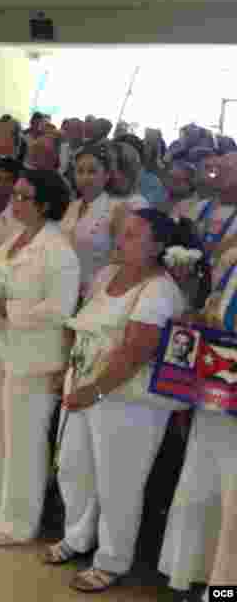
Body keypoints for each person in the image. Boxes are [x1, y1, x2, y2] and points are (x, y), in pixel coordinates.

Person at [47, 209, 193, 592]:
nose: (120, 240)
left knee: (119, 481)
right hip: (85, 383)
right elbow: (81, 323)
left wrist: (94, 389)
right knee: (73, 467)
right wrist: (68, 371)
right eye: (121, 233)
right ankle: (77, 536)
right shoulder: (106, 274)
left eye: (132, 235)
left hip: (128, 399)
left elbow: (135, 352)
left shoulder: (159, 289)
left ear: (157, 246)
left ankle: (112, 560)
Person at [0, 169, 80, 546]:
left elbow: (59, 308)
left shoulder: (59, 249)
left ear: (44, 205)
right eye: (14, 194)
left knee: (25, 439)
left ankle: (19, 521)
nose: (13, 202)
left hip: (35, 354)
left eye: (22, 196)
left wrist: (5, 307)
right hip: (3, 344)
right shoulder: (16, 239)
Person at [159, 254, 237, 598]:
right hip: (218, 397)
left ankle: (223, 592)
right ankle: (199, 575)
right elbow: (213, 318)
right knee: (203, 491)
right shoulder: (232, 264)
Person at [61, 145, 137, 295]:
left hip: (96, 291)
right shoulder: (71, 207)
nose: (85, 178)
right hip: (63, 286)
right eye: (80, 171)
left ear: (107, 175)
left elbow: (123, 257)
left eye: (92, 171)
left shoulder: (118, 209)